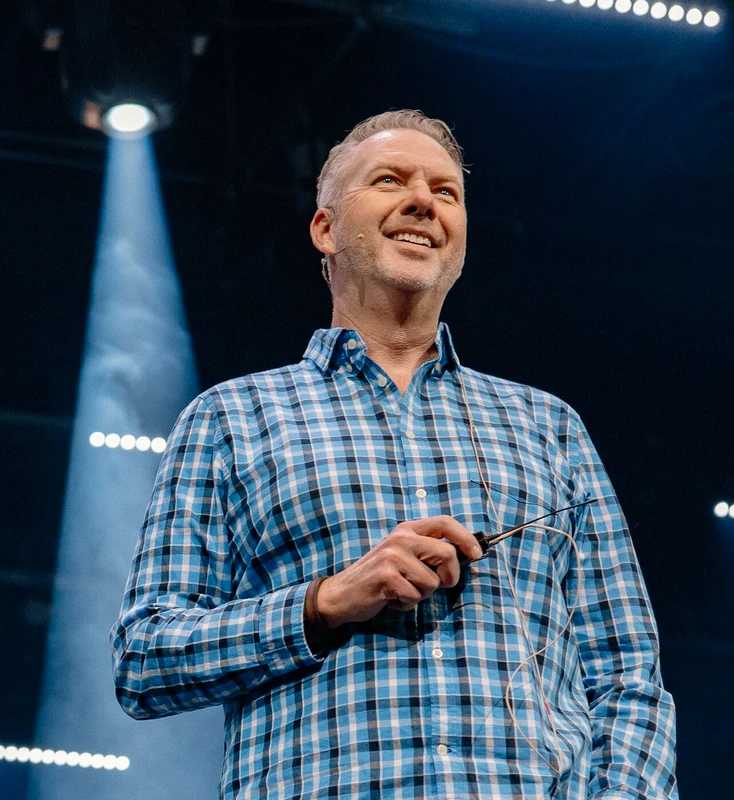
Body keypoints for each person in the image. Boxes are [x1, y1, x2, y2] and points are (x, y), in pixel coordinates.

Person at [111, 109, 678, 799]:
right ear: (325, 229)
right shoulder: (231, 419)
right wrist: (327, 602)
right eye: (389, 180)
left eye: (446, 191)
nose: (423, 202)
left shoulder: (548, 426)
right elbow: (144, 660)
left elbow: (627, 677)